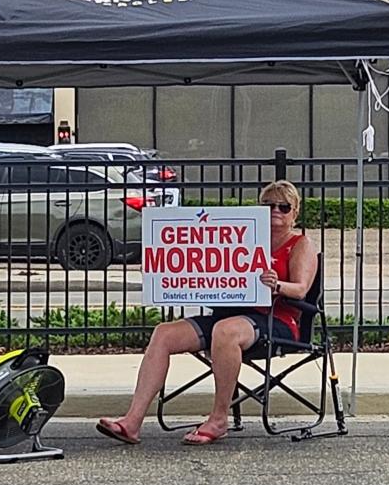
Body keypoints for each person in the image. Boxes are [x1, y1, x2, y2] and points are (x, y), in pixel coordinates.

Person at [96, 180, 318, 446]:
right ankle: (131, 422)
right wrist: (162, 270)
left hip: (277, 319)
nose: (276, 211)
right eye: (269, 205)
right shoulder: (241, 235)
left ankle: (219, 418)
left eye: (284, 207)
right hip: (229, 311)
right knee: (164, 333)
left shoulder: (300, 244)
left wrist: (276, 284)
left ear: (295, 212)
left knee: (225, 331)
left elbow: (301, 289)